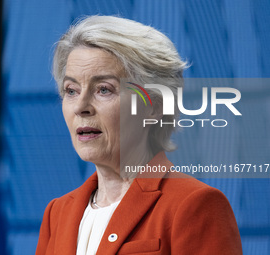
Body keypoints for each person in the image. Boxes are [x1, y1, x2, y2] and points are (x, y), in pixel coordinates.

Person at [36, 16, 242, 255]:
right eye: (71, 90)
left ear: (154, 105)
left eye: (104, 89)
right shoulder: (57, 213)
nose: (81, 106)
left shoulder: (194, 204)